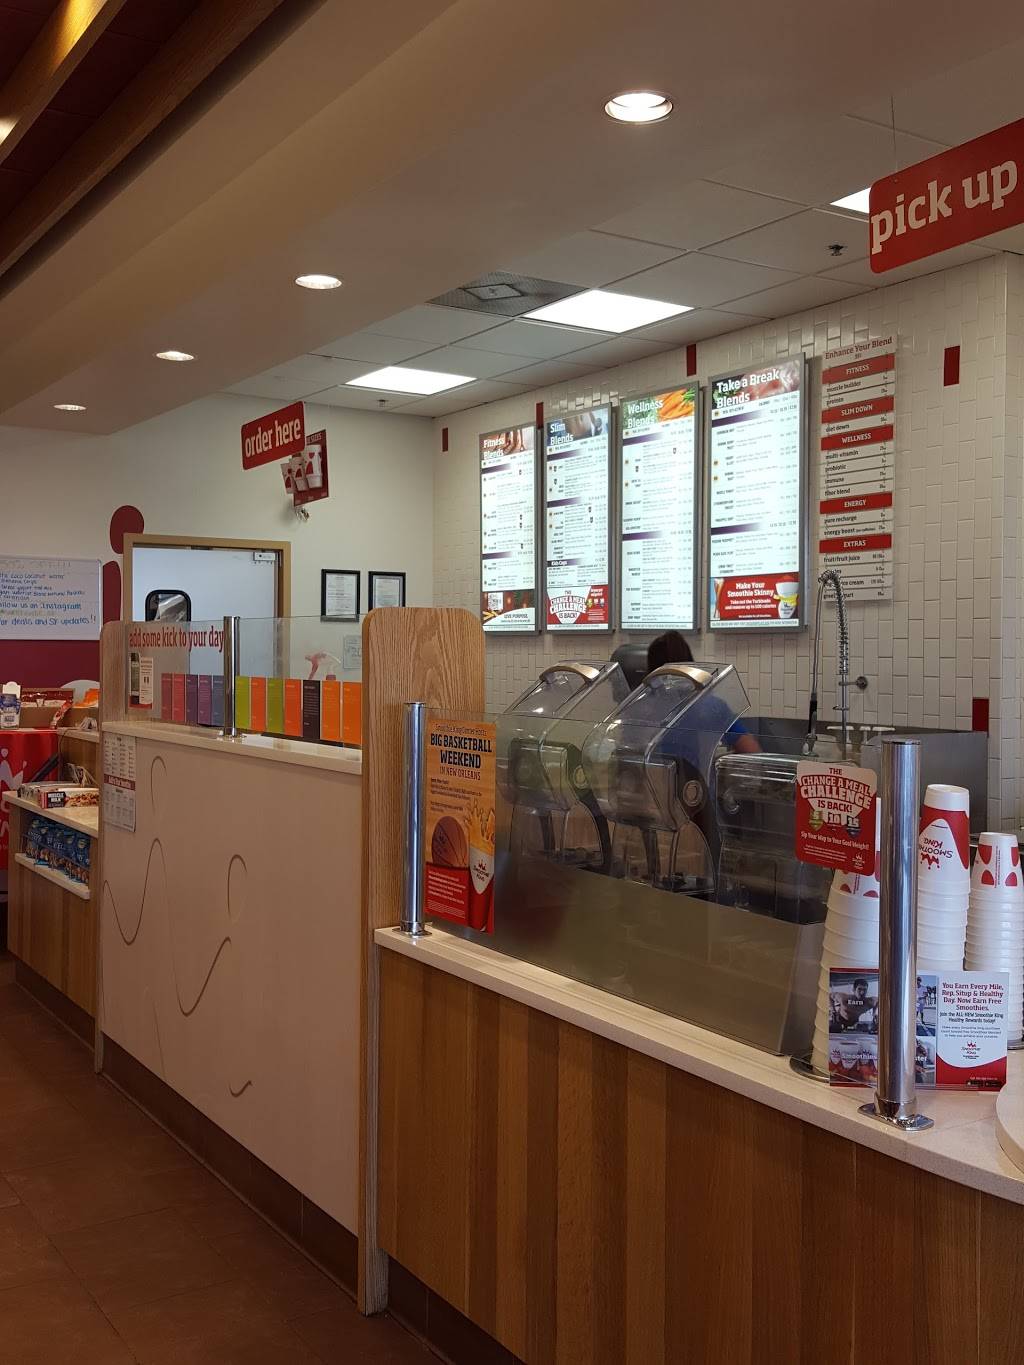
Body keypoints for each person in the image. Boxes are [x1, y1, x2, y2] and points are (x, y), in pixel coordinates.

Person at [646, 631, 760, 754]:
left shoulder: (645, 706)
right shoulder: (712, 705)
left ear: (653, 671)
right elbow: (751, 750)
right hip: (695, 767)